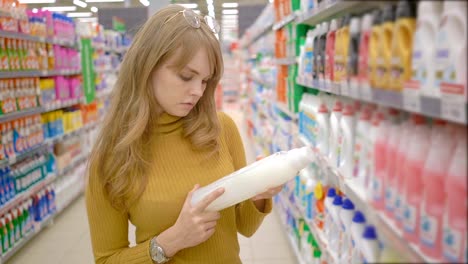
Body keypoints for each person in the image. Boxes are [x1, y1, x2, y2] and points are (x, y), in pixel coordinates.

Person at [85, 5, 282, 264]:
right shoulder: (112, 156)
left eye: (204, 81)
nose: (198, 92)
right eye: (186, 76)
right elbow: (107, 259)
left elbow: (245, 226)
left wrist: (257, 195)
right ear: (147, 67)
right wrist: (171, 242)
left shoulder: (222, 129)